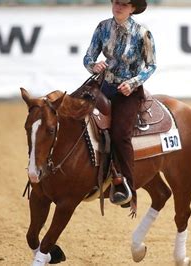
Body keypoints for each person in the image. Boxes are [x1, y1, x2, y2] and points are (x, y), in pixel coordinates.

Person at [83, 0, 156, 213]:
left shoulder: (143, 33)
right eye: (116, 2)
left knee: (120, 135)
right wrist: (93, 66)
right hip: (103, 85)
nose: (118, 7)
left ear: (133, 8)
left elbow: (151, 65)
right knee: (78, 115)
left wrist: (132, 82)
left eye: (124, 4)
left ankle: (127, 188)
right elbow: (89, 56)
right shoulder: (102, 27)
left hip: (128, 92)